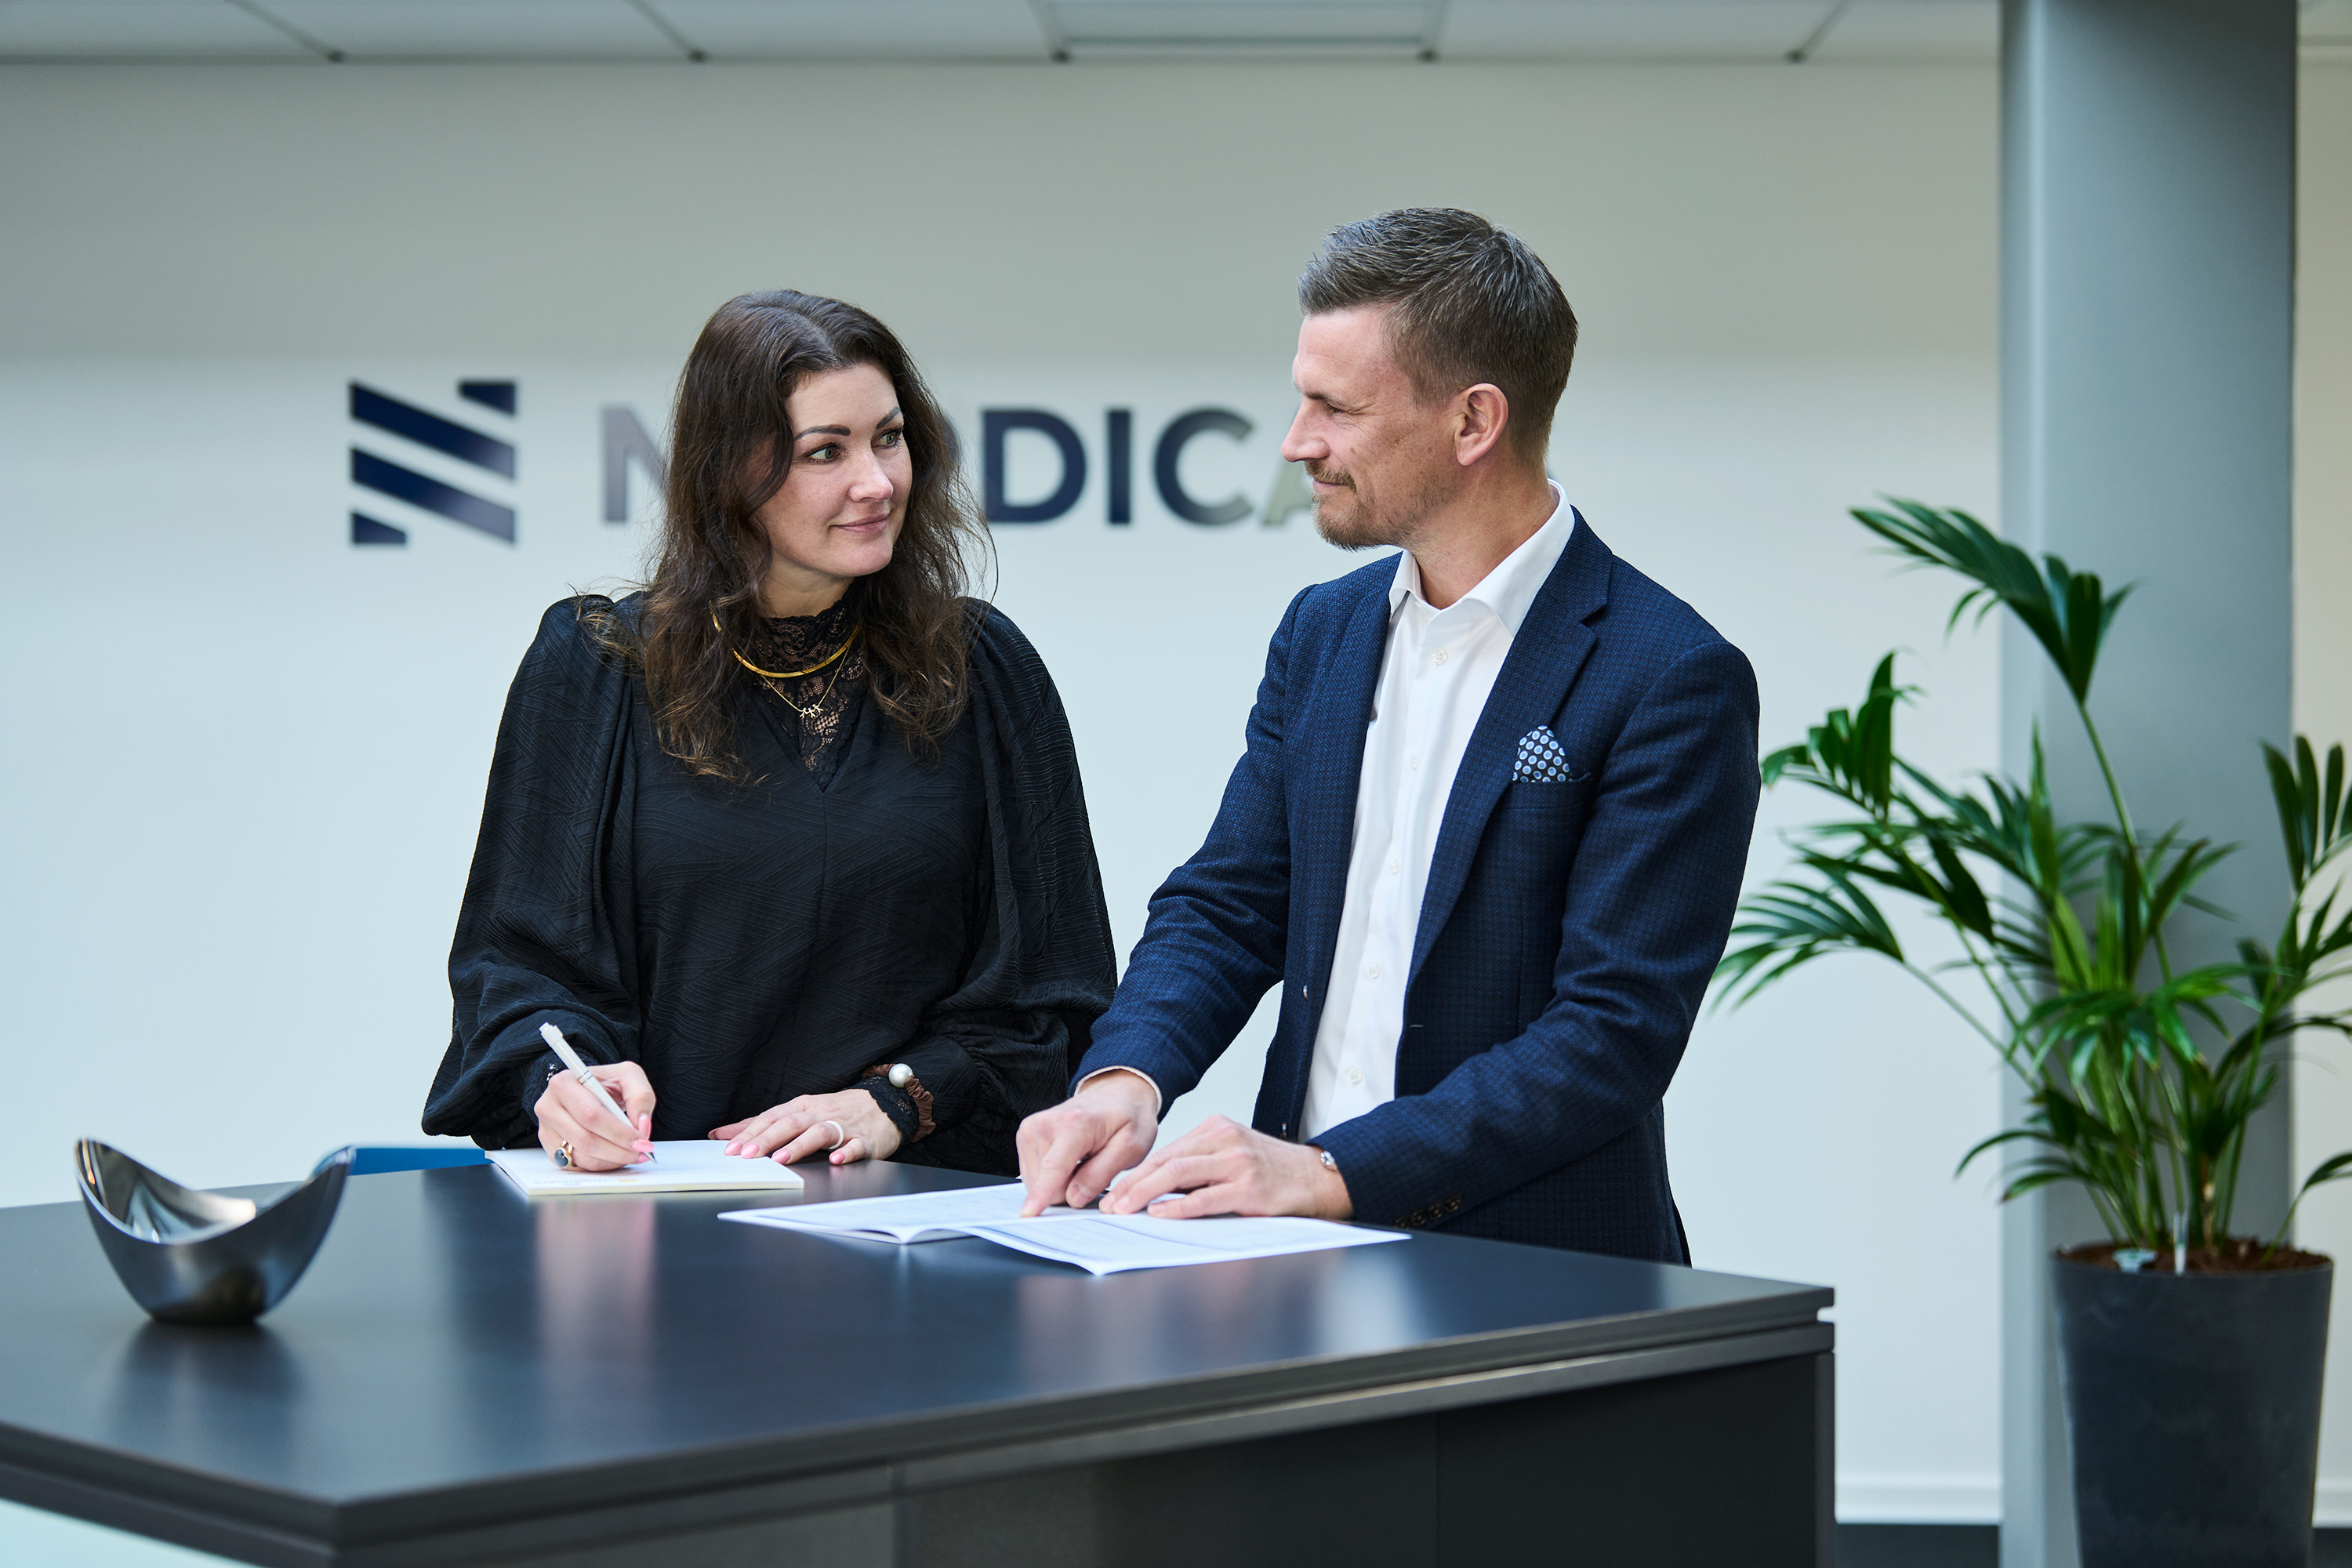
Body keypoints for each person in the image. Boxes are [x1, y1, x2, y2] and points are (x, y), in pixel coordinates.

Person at [1015, 209, 1760, 1260]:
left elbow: (1611, 1035)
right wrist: (1124, 1077)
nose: (1296, 441)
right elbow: (1232, 899)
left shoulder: (1668, 673)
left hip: (1540, 1274)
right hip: (1289, 1257)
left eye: (1335, 407)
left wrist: (1333, 1172)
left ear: (1474, 422)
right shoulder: (1323, 631)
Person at [423, 290, 1116, 1176]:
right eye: (825, 451)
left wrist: (895, 1099)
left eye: (890, 438)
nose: (877, 482)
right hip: (659, 1209)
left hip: (911, 1210)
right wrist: (563, 1082)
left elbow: (1055, 996)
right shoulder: (594, 667)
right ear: (728, 473)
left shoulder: (983, 668)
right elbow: (518, 977)